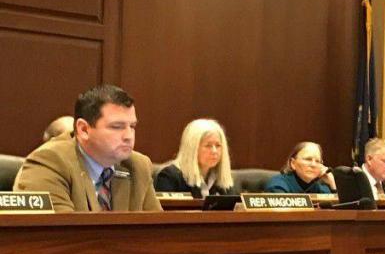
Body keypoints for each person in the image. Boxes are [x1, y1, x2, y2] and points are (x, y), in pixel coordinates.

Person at [15, 84, 161, 213]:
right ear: (84, 129)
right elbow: (58, 235)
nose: (129, 136)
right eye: (117, 127)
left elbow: (157, 234)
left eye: (132, 126)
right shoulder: (50, 162)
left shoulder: (138, 166)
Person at [155, 118, 233, 197]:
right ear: (192, 149)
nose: (214, 151)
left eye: (218, 145)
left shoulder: (222, 180)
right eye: (208, 146)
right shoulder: (170, 177)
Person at [265, 142, 335, 194]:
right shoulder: (278, 185)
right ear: (293, 163)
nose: (313, 164)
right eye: (308, 159)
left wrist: (332, 184)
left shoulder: (321, 188)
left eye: (317, 161)